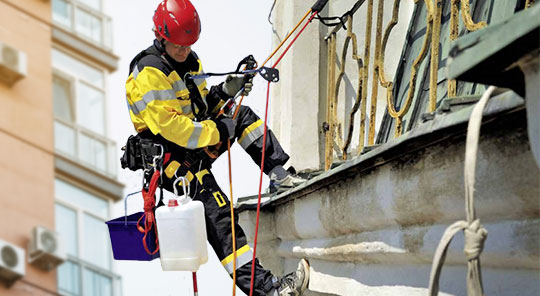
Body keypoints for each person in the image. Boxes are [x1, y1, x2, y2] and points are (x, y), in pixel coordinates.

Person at [123, 0, 309, 295]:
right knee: (221, 216)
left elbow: (199, 106)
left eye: (188, 45)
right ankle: (269, 290)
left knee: (242, 117)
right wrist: (219, 130)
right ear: (161, 37)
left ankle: (278, 174)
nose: (184, 51)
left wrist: (226, 91)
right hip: (173, 164)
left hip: (193, 146)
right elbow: (176, 129)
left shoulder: (190, 61)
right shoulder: (148, 73)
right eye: (177, 46)